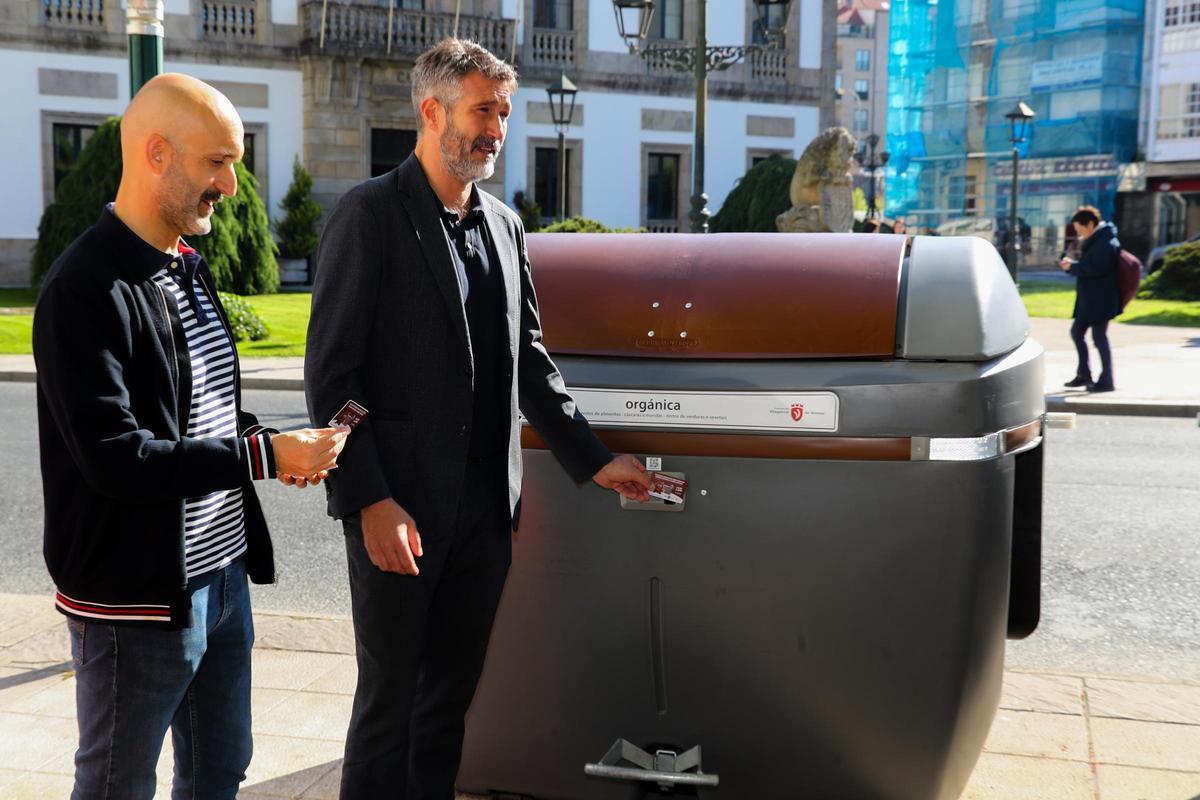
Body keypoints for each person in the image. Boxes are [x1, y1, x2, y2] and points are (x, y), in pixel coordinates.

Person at [304, 38, 653, 799]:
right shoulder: (366, 217)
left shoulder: (504, 224)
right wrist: (369, 499)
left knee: (446, 708)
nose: (496, 128)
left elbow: (528, 361)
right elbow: (332, 378)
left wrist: (595, 460)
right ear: (432, 113)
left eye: (504, 112)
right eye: (482, 111)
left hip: (486, 519)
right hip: (398, 512)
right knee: (388, 707)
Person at [33, 73, 348, 800]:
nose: (232, 186)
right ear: (155, 154)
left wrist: (272, 443)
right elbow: (118, 459)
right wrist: (265, 457)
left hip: (221, 578)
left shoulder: (185, 264)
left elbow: (198, 412)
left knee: (219, 768)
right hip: (133, 600)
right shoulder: (85, 288)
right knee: (118, 782)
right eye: (217, 162)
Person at [1059, 205, 1121, 392]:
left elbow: (1098, 268)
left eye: (1080, 228)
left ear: (1091, 224)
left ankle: (1107, 380)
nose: (1078, 233)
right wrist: (1073, 266)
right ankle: (1084, 375)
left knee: (1099, 337)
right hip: (1090, 300)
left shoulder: (1105, 241)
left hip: (1100, 300)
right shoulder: (1098, 239)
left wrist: (1073, 268)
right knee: (1077, 332)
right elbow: (1091, 265)